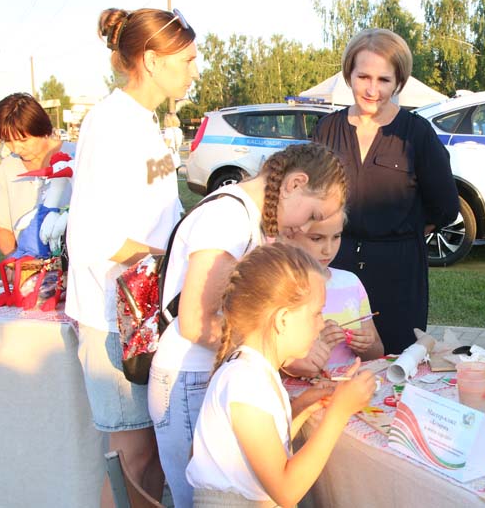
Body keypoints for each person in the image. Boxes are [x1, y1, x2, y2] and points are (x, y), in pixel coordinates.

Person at [148, 142, 347, 508]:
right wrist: (276, 352)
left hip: (202, 376)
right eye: (312, 214)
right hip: (189, 376)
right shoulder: (229, 220)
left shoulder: (244, 216)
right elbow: (195, 322)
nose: (304, 226)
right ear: (294, 184)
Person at [65, 7, 198, 506]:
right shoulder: (109, 123)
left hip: (147, 308)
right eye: (185, 59)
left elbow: (157, 211)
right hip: (116, 315)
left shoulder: (145, 122)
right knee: (134, 457)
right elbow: (100, 236)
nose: (194, 69)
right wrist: (177, 254)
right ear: (151, 59)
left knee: (153, 454)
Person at [186, 242, 376, 507]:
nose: (322, 323)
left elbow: (265, 448)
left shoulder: (253, 369)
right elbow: (287, 491)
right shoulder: (246, 383)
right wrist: (339, 413)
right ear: (283, 319)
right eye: (316, 313)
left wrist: (303, 406)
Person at [313, 28, 459, 355]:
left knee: (394, 363)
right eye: (363, 76)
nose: (372, 89)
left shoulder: (416, 133)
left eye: (384, 80)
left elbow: (446, 206)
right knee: (334, 365)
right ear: (348, 75)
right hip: (336, 270)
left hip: (398, 273)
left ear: (399, 83)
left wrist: (408, 229)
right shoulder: (327, 129)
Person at [282, 209, 384, 372]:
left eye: (336, 237)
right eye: (317, 238)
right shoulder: (279, 288)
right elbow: (267, 362)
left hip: (347, 388)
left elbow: (377, 352)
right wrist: (308, 348)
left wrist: (365, 345)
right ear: (288, 236)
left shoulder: (351, 282)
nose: (328, 250)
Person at [0, 93, 75, 255]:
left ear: (42, 130)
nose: (16, 148)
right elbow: (2, 227)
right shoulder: (8, 168)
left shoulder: (77, 156)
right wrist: (15, 262)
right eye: (7, 140)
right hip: (31, 273)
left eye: (23, 140)